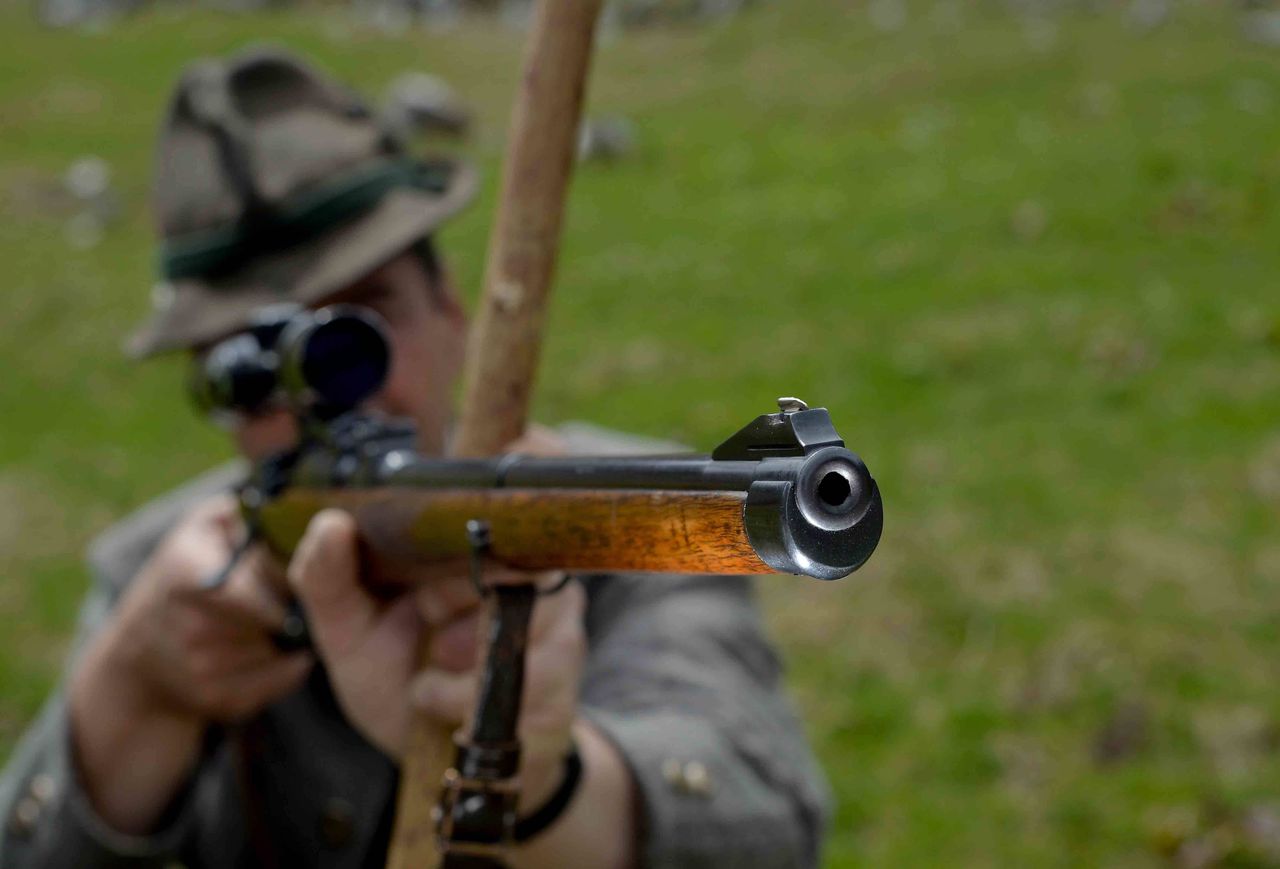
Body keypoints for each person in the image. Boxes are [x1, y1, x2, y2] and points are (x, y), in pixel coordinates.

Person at [0, 49, 829, 868]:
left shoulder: (600, 520)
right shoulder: (173, 578)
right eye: (256, 360)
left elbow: (768, 827)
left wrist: (546, 785)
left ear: (450, 309)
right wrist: (136, 693)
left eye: (368, 315)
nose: (339, 396)